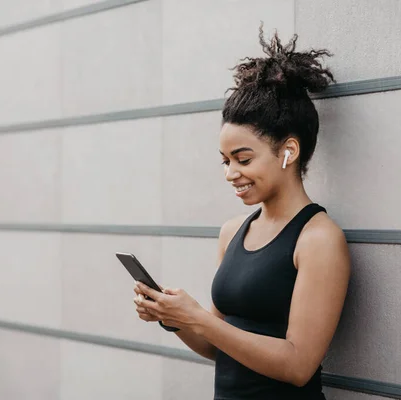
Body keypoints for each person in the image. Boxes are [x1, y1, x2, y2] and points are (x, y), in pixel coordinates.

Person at [133, 25, 351, 399]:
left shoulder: (319, 239)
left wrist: (198, 318)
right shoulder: (233, 231)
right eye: (225, 161)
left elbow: (298, 366)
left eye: (243, 159)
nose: (231, 173)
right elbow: (218, 347)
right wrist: (174, 319)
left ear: (289, 152)